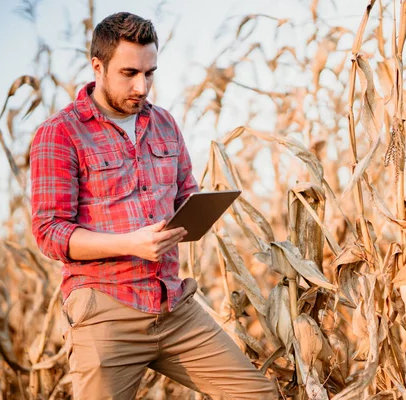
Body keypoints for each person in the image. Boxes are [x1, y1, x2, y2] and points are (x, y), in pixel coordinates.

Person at [30, 12, 279, 400]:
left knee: (258, 395)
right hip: (105, 310)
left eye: (150, 73)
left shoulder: (164, 123)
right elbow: (50, 233)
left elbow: (184, 194)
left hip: (173, 305)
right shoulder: (60, 133)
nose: (141, 86)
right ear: (98, 66)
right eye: (129, 73)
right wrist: (130, 243)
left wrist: (201, 208)